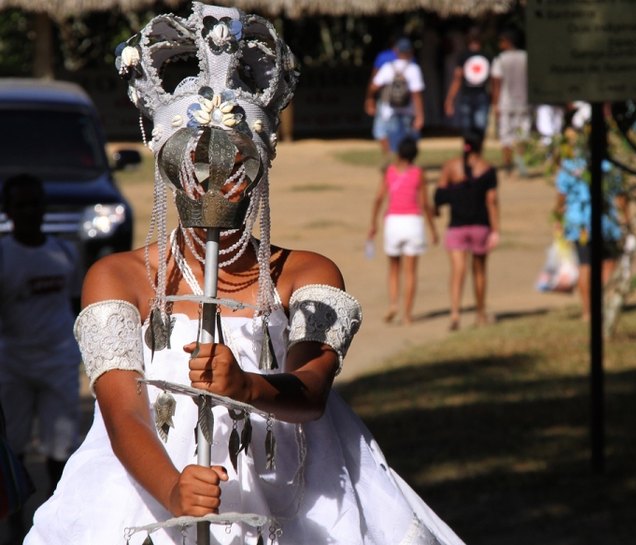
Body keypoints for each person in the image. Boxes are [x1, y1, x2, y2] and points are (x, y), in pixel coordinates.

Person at [24, 4, 466, 545]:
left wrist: (247, 385)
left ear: (259, 171)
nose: (215, 185)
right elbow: (122, 410)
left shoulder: (305, 272)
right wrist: (171, 491)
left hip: (295, 494)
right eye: (196, 166)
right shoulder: (120, 278)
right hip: (149, 489)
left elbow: (310, 390)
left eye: (236, 167)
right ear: (170, 170)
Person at [0, 174, 82, 544]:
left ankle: (55, 523)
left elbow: (77, 304)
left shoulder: (65, 253)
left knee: (59, 448)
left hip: (59, 360)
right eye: (22, 205)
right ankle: (15, 526)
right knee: (12, 447)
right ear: (8, 211)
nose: (30, 212)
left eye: (36, 204)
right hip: (13, 363)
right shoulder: (3, 255)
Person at [553, 126, 630, 322]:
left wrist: (558, 218)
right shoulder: (610, 165)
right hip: (606, 222)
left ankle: (588, 311)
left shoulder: (570, 165)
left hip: (579, 222)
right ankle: (600, 303)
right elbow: (621, 197)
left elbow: (561, 197)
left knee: (584, 265)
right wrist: (627, 219)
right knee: (608, 263)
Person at [367, 137, 438, 326]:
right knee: (411, 272)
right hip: (413, 222)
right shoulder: (418, 173)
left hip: (394, 223)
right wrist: (433, 229)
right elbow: (424, 204)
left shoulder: (389, 172)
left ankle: (393, 304)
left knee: (393, 269)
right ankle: (407, 314)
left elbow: (378, 199)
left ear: (399, 153)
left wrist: (373, 224)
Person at [434, 133, 500, 331]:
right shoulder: (488, 169)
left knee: (457, 272)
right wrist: (496, 229)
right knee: (479, 271)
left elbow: (438, 195)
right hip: (480, 226)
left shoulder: (451, 166)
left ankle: (455, 314)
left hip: (457, 226)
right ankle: (480, 313)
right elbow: (491, 201)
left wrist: (439, 207)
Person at [366, 37, 425, 158]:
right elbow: (416, 95)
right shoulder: (413, 68)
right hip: (408, 111)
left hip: (389, 111)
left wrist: (370, 99)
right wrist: (420, 116)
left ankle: (392, 162)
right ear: (410, 52)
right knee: (406, 141)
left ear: (396, 51)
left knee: (389, 138)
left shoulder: (387, 67)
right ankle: (404, 166)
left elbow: (373, 86)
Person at [490, 29, 529, 179]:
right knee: (522, 135)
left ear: (508, 41)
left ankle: (508, 166)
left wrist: (495, 104)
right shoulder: (526, 58)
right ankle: (521, 164)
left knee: (506, 136)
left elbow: (496, 85)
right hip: (523, 102)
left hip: (505, 103)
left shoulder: (500, 59)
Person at [443, 28, 492, 142]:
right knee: (467, 129)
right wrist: (450, 100)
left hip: (481, 95)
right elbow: (457, 79)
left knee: (479, 127)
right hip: (467, 96)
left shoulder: (487, 56)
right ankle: (469, 152)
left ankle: (476, 153)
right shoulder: (463, 56)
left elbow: (492, 80)